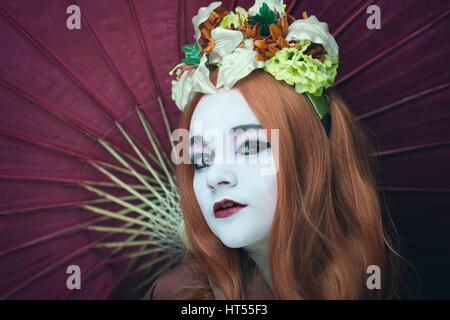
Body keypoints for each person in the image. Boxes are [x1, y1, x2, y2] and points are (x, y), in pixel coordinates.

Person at [145, 0, 402, 300]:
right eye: (201, 160)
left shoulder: (367, 283)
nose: (216, 177)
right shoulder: (178, 295)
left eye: (250, 147)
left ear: (310, 157)